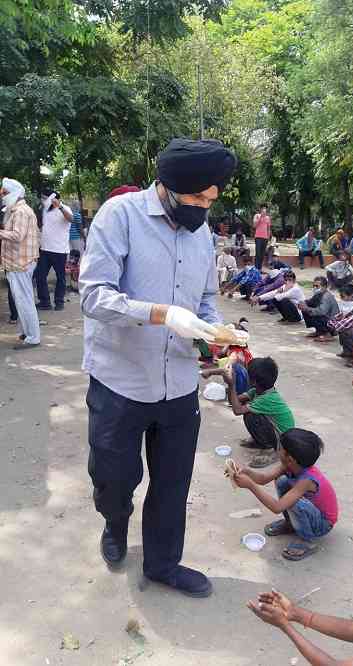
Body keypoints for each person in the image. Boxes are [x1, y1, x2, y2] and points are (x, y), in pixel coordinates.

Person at [79, 137, 238, 598]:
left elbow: (206, 299)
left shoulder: (203, 232)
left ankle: (163, 564)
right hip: (121, 379)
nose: (205, 208)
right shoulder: (120, 216)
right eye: (198, 198)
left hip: (180, 382)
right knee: (113, 478)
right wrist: (162, 313)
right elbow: (93, 295)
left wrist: (214, 331)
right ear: (168, 187)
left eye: (212, 199)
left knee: (172, 482)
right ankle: (114, 520)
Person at [232, 428, 338, 560]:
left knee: (297, 504)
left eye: (281, 448)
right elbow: (264, 479)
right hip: (311, 509)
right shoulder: (289, 465)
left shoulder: (307, 480)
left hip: (322, 524)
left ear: (290, 458)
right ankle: (291, 524)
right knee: (282, 481)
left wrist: (251, 486)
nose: (278, 450)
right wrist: (246, 471)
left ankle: (307, 541)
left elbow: (277, 507)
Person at [222, 357, 295, 468]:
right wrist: (230, 387)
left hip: (284, 440)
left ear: (254, 381)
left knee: (251, 415)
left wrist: (232, 385)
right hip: (280, 434)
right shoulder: (258, 391)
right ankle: (261, 442)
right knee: (249, 412)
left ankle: (271, 450)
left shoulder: (267, 398)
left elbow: (237, 410)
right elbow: (236, 399)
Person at [0, 178, 41, 350]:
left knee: (24, 300)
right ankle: (27, 332)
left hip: (21, 263)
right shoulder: (16, 211)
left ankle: (33, 337)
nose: (3, 196)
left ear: (15, 194)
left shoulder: (21, 212)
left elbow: (17, 235)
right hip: (18, 263)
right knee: (21, 300)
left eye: (5, 193)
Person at [36, 190, 73, 311]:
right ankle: (45, 302)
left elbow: (71, 219)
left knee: (60, 278)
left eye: (44, 198)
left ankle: (59, 302)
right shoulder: (45, 210)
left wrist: (60, 207)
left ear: (52, 199)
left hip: (59, 250)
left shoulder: (65, 208)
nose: (42, 200)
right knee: (40, 276)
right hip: (45, 249)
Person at [298, 276, 339, 341]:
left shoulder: (326, 296)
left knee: (314, 312)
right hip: (326, 319)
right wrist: (302, 303)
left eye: (317, 286)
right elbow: (309, 302)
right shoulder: (318, 294)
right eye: (313, 286)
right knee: (306, 309)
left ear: (325, 287)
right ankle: (319, 331)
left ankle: (328, 334)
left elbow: (321, 311)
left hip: (332, 324)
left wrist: (306, 308)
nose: (314, 288)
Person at [253, 204, 271, 270]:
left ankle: (259, 269)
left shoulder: (268, 218)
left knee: (262, 254)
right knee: (258, 253)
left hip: (265, 238)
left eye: (265, 208)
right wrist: (260, 217)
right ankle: (256, 269)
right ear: (260, 209)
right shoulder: (257, 216)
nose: (264, 210)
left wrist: (268, 238)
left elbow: (268, 228)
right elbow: (254, 225)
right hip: (258, 237)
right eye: (263, 208)